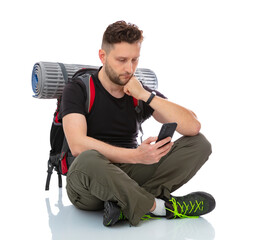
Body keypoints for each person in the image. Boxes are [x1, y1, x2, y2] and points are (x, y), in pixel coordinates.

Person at [59, 20, 215, 227]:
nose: (129, 68)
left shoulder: (137, 90)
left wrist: (145, 95)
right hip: (88, 182)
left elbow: (193, 126)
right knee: (88, 159)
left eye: (134, 60)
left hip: (129, 173)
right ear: (102, 56)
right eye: (122, 60)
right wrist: (136, 155)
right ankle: (162, 208)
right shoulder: (78, 89)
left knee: (199, 144)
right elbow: (77, 145)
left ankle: (125, 206)